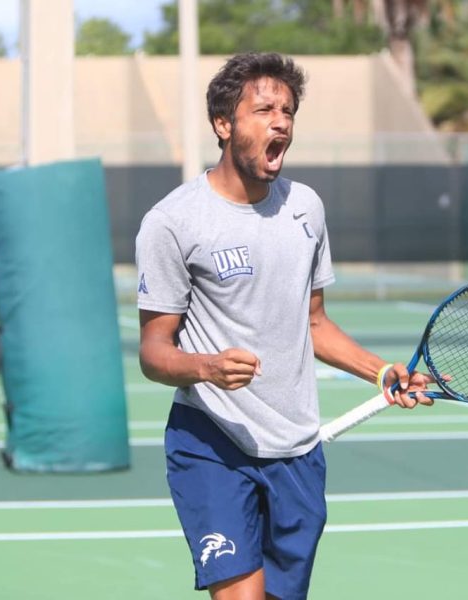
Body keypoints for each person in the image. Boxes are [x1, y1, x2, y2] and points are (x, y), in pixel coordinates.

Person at [135, 52, 433, 600]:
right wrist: (207, 367)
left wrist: (381, 370)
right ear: (223, 124)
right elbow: (154, 350)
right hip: (212, 444)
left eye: (289, 111)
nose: (281, 122)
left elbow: (314, 323)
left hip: (298, 450)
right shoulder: (172, 222)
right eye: (265, 109)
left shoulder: (307, 209)